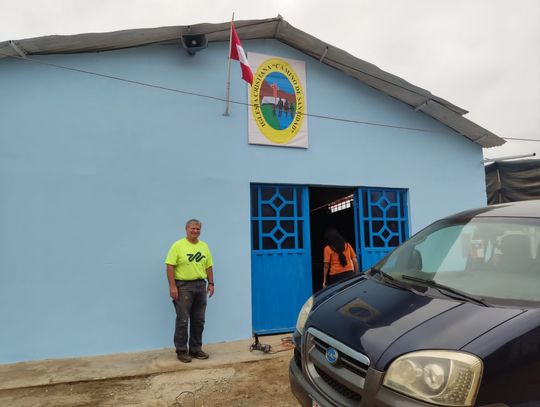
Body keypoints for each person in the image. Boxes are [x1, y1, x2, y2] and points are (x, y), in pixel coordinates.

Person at [165, 219, 215, 363]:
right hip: (183, 286)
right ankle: (181, 351)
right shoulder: (178, 245)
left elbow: (209, 266)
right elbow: (170, 267)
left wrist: (211, 283)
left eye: (198, 229)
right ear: (186, 229)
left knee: (199, 320)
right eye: (192, 228)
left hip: (200, 286)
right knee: (182, 320)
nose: (195, 231)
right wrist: (173, 286)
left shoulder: (204, 246)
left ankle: (195, 349)